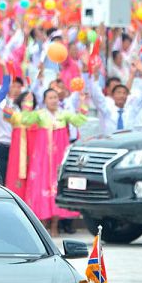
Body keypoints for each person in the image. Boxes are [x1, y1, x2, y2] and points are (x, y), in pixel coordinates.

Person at [24, 89, 86, 236]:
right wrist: (28, 102)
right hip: (42, 159)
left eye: (55, 97)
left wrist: (83, 102)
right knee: (41, 188)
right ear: (44, 100)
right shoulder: (39, 115)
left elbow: (80, 120)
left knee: (57, 188)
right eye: (50, 98)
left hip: (58, 158)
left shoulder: (63, 114)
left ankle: (55, 224)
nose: (53, 100)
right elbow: (25, 119)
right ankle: (43, 225)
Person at [5, 91, 38, 201]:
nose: (28, 103)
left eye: (30, 100)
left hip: (34, 153)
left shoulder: (37, 116)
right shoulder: (16, 116)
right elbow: (6, 115)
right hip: (18, 154)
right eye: (25, 100)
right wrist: (9, 100)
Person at [0, 77, 23, 179]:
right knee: (2, 175)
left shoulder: (23, 106)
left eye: (19, 86)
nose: (16, 89)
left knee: (16, 178)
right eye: (13, 86)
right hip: (5, 145)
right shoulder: (1, 104)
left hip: (20, 146)